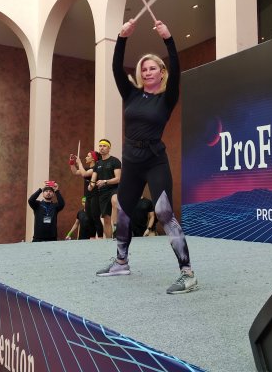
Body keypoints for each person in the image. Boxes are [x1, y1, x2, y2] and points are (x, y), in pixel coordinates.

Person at [96, 18, 198, 294]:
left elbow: (177, 67)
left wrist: (168, 39)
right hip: (131, 160)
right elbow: (116, 68)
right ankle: (121, 262)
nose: (148, 71)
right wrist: (122, 37)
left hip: (154, 160)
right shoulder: (131, 94)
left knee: (164, 212)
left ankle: (187, 273)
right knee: (123, 211)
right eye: (144, 68)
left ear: (162, 72)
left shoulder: (167, 97)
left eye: (153, 67)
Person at [87, 139, 121, 238]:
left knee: (115, 200)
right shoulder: (97, 164)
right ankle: (108, 241)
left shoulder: (115, 161)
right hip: (103, 192)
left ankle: (116, 226)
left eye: (104, 146)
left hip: (114, 188)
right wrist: (91, 186)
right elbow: (93, 180)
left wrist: (105, 181)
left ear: (109, 148)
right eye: (100, 146)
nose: (102, 148)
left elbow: (118, 179)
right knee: (106, 219)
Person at [69, 150, 101, 238]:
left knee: (96, 217)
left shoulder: (95, 169)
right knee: (89, 218)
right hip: (88, 196)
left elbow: (84, 174)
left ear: (93, 159)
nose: (86, 157)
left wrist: (79, 163)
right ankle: (92, 237)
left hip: (96, 196)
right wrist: (72, 163)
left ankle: (101, 237)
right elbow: (75, 172)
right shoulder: (87, 169)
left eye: (88, 156)